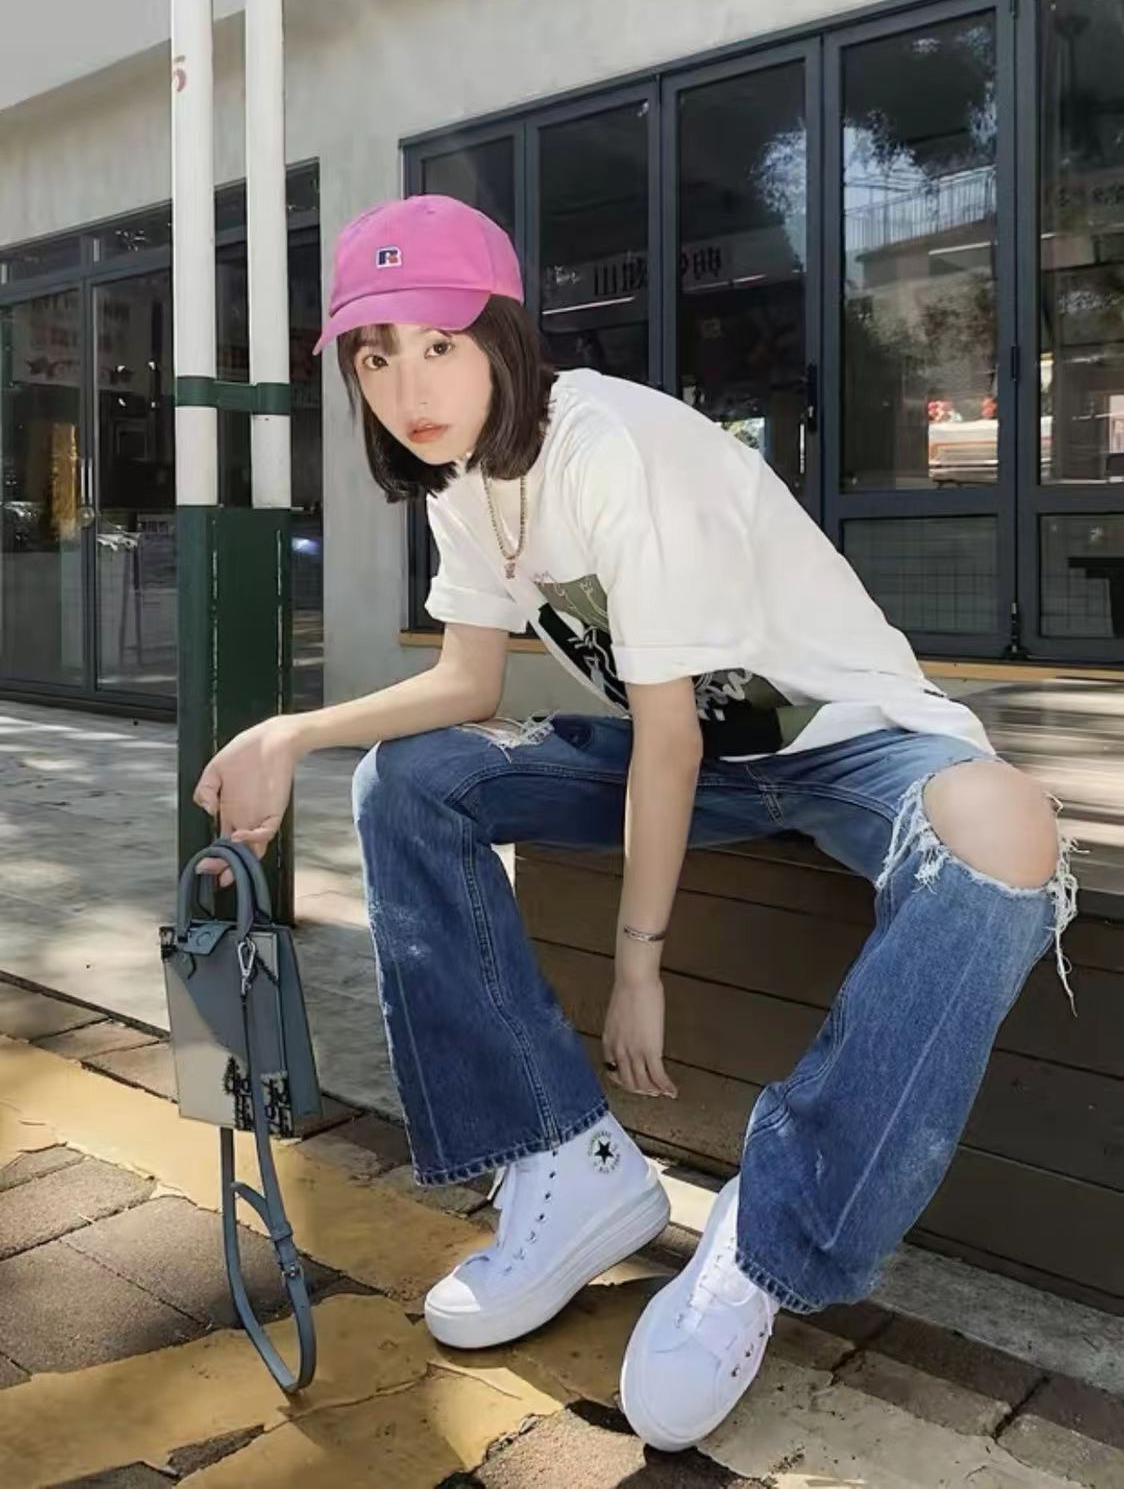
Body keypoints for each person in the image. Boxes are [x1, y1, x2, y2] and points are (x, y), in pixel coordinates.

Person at [194, 195, 1076, 1453]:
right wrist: (291, 732)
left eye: (438, 343)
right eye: (375, 356)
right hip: (714, 765)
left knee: (1004, 832)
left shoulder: (607, 441)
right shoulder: (463, 480)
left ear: (503, 336)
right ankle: (563, 1161)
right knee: (410, 778)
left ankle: (767, 1235)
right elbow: (466, 686)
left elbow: (666, 734)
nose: (407, 386)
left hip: (849, 747)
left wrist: (639, 963)